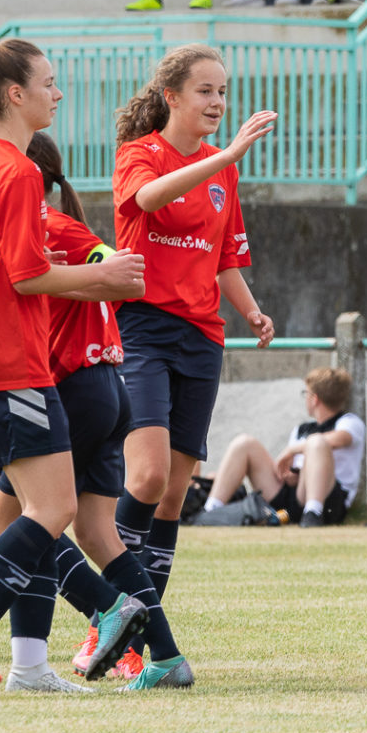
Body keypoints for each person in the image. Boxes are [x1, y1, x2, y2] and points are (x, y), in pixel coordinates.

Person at [0, 41, 173, 694]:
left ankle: (31, 666)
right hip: (8, 360)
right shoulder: (13, 171)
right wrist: (105, 273)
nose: (57, 93)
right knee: (51, 508)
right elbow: (27, 273)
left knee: (32, 515)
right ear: (15, 93)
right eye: (49, 81)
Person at [105, 45, 278, 658]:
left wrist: (250, 309)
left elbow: (227, 257)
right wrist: (226, 155)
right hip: (143, 327)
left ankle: (137, 640)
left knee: (176, 493)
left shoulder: (220, 168)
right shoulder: (140, 154)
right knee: (147, 476)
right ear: (172, 97)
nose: (218, 103)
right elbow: (148, 201)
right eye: (205, 91)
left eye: (222, 91)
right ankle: (110, 619)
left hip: (202, 337)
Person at [205, 370, 364, 526]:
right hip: (294, 494)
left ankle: (313, 513)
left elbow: (339, 439)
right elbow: (291, 467)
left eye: (305, 393)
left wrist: (292, 450)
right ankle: (209, 511)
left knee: (317, 443)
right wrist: (290, 474)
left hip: (328, 500)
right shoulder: (302, 429)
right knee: (244, 443)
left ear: (314, 399)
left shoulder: (349, 422)